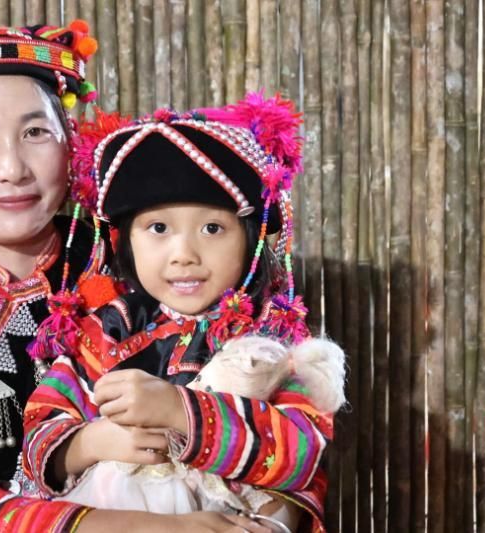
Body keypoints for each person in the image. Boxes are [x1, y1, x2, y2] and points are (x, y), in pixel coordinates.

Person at [0, 19, 267, 532]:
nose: (13, 167)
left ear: (69, 140)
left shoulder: (146, 261)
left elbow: (277, 409)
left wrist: (274, 517)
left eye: (36, 132)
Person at [22, 96, 343, 532]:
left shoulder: (272, 342)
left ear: (249, 237)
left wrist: (181, 411)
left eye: (212, 229)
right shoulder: (105, 332)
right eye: (158, 229)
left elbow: (302, 452)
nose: (184, 255)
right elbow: (41, 429)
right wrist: (90, 442)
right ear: (126, 241)